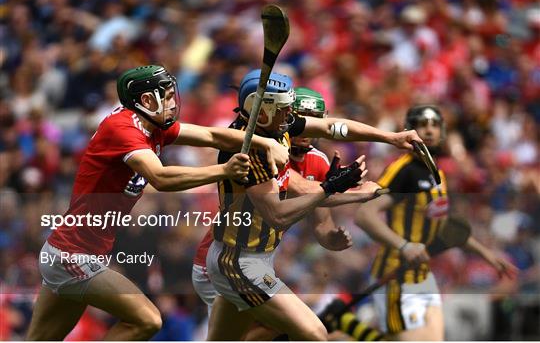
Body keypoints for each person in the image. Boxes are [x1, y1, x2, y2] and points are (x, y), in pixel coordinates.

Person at [26, 65, 290, 340]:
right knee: (147, 320)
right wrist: (223, 171)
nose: (173, 102)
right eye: (165, 96)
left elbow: (212, 136)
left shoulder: (152, 127)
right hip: (74, 255)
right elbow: (161, 177)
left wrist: (264, 143)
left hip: (72, 251)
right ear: (145, 101)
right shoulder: (124, 128)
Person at [205, 69, 424, 341]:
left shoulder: (274, 126)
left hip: (250, 257)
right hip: (238, 261)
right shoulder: (250, 150)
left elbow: (332, 126)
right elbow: (277, 215)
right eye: (285, 109)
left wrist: (390, 138)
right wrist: (331, 188)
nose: (291, 116)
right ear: (261, 112)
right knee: (316, 334)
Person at [324, 105, 518, 341]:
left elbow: (442, 227)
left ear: (443, 133)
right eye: (421, 125)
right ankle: (349, 330)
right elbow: (365, 216)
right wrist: (404, 246)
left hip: (423, 276)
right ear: (409, 131)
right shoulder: (402, 171)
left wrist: (487, 254)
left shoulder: (438, 174)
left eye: (434, 125)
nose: (428, 130)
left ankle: (350, 328)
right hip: (395, 274)